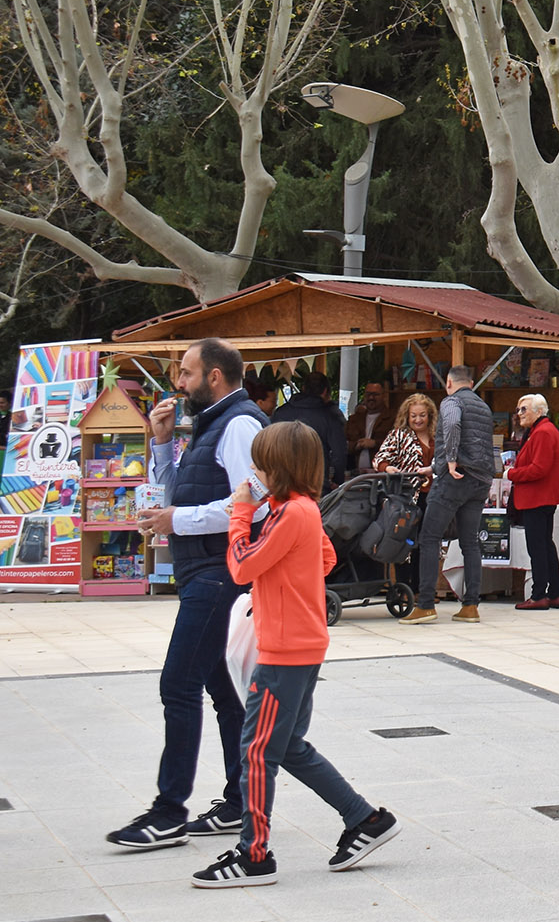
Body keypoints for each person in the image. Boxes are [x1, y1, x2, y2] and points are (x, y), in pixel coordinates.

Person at [189, 421, 399, 888]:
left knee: (258, 750)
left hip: (284, 650)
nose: (256, 471)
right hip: (302, 643)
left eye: (262, 462)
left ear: (278, 467)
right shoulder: (298, 509)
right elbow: (322, 559)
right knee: (286, 747)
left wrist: (242, 515)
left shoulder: (290, 514)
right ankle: (365, 819)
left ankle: (254, 853)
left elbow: (242, 566)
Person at [108, 337, 268, 850]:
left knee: (179, 684)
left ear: (214, 377)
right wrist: (159, 443)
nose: (178, 382)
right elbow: (176, 493)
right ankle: (239, 799)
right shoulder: (209, 424)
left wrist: (178, 519)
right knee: (221, 690)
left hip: (221, 572)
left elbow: (254, 504)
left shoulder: (240, 424)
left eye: (187, 373)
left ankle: (169, 810)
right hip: (202, 568)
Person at [406, 365, 494, 625]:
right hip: (479, 481)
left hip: (454, 480)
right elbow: (476, 444)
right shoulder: (483, 407)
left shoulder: (451, 402)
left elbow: (454, 425)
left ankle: (425, 605)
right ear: (472, 382)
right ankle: (470, 606)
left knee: (429, 537)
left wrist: (451, 460)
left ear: (448, 382)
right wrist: (433, 466)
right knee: (469, 542)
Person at [506, 393, 559, 610]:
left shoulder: (542, 432)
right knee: (545, 545)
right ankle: (554, 594)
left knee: (538, 547)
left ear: (539, 411)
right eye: (518, 409)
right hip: (542, 497)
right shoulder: (542, 430)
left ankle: (539, 595)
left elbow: (538, 469)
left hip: (537, 497)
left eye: (524, 409)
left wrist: (512, 474)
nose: (519, 413)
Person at [268, 372, 350, 488]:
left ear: (303, 388)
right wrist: (338, 480)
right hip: (316, 484)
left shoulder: (280, 413)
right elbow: (339, 453)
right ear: (325, 391)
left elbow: (269, 449)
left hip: (282, 483)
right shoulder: (329, 416)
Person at [372, 393, 437, 488]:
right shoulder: (399, 435)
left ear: (429, 416)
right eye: (413, 416)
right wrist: (387, 468)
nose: (418, 420)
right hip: (407, 493)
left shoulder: (438, 436)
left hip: (437, 493)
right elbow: (378, 460)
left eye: (422, 415)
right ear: (407, 417)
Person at [346, 382, 391, 477]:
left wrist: (375, 443)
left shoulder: (393, 419)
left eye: (375, 394)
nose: (371, 398)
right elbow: (342, 444)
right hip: (355, 475)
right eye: (368, 394)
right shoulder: (354, 419)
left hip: (382, 476)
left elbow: (398, 446)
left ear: (384, 396)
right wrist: (356, 445)